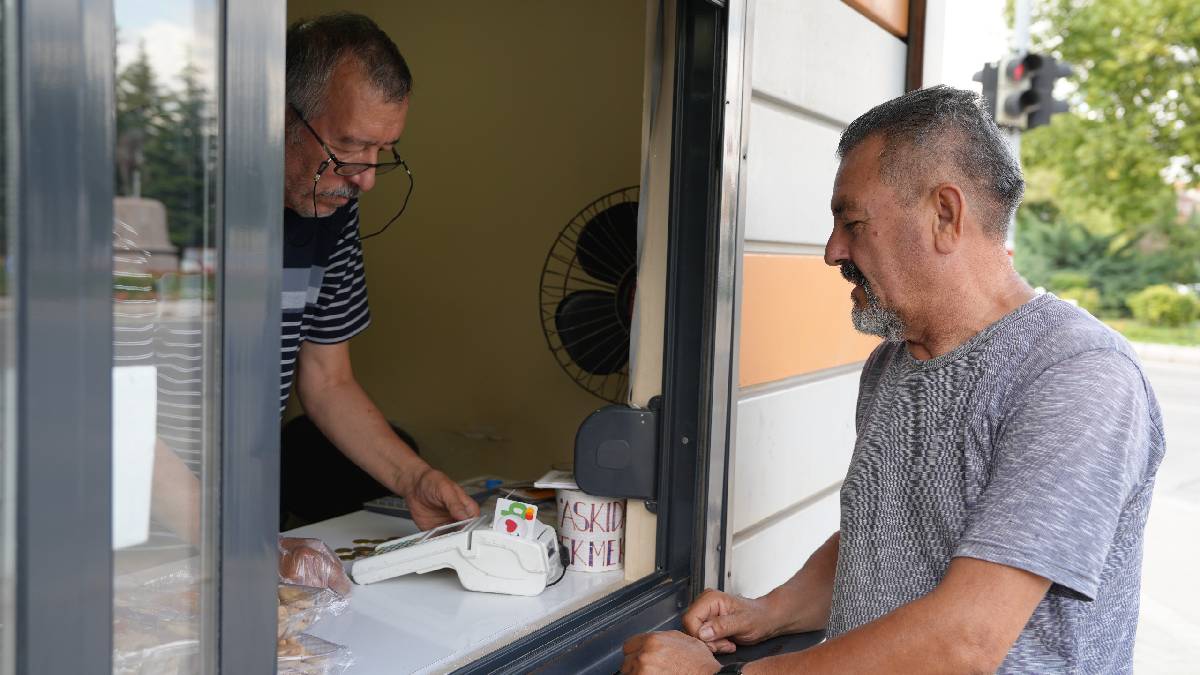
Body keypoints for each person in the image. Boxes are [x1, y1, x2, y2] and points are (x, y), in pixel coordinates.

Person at [621, 86, 1164, 674]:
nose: (833, 252)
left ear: (945, 215)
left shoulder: (1076, 376)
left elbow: (966, 641)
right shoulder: (894, 362)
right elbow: (882, 543)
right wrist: (770, 611)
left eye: (853, 222)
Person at [278, 13, 479, 533]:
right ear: (280, 114)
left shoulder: (331, 203)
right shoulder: (190, 207)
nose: (365, 180)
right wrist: (233, 545)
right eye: (347, 147)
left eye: (382, 152)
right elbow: (118, 408)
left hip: (227, 515)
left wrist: (414, 479)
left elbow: (327, 380)